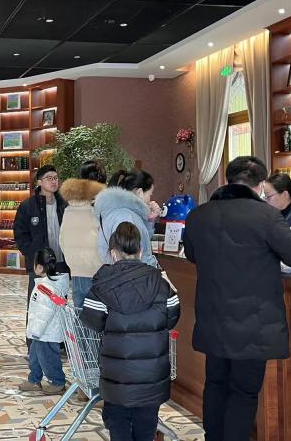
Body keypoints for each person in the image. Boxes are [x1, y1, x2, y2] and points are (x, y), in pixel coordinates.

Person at [181, 156, 291, 441]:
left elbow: (191, 254)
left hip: (213, 316)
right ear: (260, 184)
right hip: (254, 322)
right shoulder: (265, 215)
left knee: (216, 383)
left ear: (227, 180)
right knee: (244, 391)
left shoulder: (199, 215)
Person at [81, 222, 180, 441]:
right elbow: (172, 317)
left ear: (113, 253)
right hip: (151, 375)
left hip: (116, 376)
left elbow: (92, 321)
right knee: (146, 425)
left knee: (118, 423)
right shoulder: (160, 283)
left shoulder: (102, 286)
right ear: (141, 251)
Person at [19, 247, 70, 395]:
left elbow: (45, 313)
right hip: (41, 332)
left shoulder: (45, 288)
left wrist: (36, 331)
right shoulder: (48, 284)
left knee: (48, 358)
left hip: (46, 333)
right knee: (35, 356)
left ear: (40, 267)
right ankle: (34, 379)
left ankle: (58, 382)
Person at [15, 165, 67, 306]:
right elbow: (20, 235)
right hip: (40, 265)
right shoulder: (28, 206)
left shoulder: (64, 204)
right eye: (49, 178)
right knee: (37, 304)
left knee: (60, 303)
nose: (54, 181)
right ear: (39, 182)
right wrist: (34, 256)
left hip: (61, 263)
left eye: (55, 178)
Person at [59, 160, 107, 311]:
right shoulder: (102, 207)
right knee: (101, 318)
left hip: (77, 271)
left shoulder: (69, 207)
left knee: (81, 316)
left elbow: (62, 240)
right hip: (101, 271)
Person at [94, 169, 162, 269]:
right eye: (150, 194)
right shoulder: (126, 217)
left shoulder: (115, 212)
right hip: (136, 275)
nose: (150, 199)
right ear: (140, 193)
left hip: (120, 274)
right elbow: (132, 253)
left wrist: (149, 219)